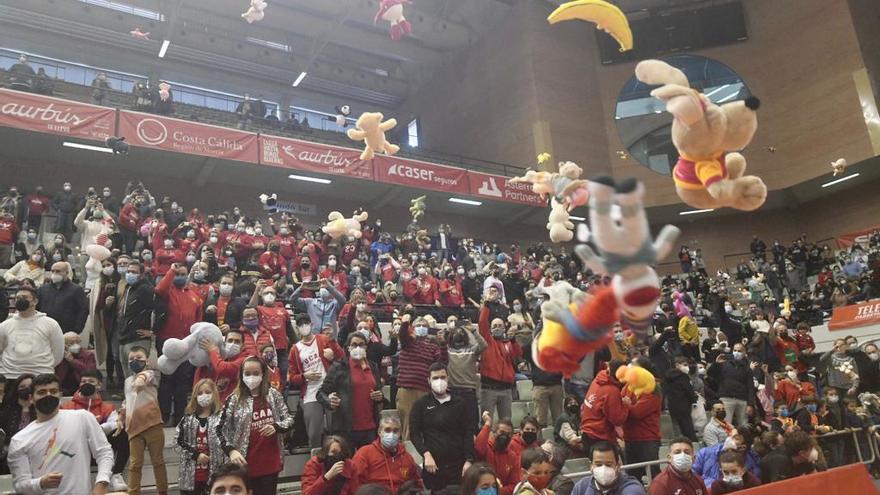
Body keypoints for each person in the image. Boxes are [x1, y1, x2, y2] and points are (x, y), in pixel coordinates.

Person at [7, 373, 114, 494]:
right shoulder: (19, 440)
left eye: (53, 391)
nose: (48, 395)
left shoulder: (82, 418)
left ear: (60, 395)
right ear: (31, 398)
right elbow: (20, 485)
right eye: (42, 392)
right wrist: (40, 483)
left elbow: (104, 452)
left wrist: (102, 482)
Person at [217, 356, 294, 495]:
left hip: (270, 462)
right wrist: (231, 450)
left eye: (256, 373)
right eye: (247, 373)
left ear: (263, 374)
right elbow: (219, 429)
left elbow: (289, 419)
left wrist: (276, 427)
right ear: (241, 375)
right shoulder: (233, 399)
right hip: (244, 464)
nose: (251, 377)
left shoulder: (274, 394)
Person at [59, 368, 128, 490]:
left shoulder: (108, 407)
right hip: (76, 452)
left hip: (100, 451)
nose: (86, 384)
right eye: (83, 381)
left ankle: (116, 474)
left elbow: (114, 424)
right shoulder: (67, 407)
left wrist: (94, 429)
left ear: (99, 385)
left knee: (122, 430)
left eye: (91, 381)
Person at [409, 362, 475, 490]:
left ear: (448, 378)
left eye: (442, 377)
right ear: (428, 380)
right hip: (433, 467)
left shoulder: (460, 403)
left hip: (458, 466)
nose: (439, 381)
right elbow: (414, 434)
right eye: (435, 378)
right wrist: (426, 454)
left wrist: (469, 460)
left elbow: (468, 432)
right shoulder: (420, 405)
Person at [156, 263, 205, 425]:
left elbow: (199, 320)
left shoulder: (195, 295)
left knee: (182, 382)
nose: (179, 276)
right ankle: (163, 416)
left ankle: (180, 418)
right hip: (167, 342)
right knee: (166, 380)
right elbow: (159, 289)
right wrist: (171, 270)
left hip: (187, 344)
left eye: (182, 273)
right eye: (177, 274)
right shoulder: (168, 291)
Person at [319, 332, 384, 448]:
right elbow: (321, 393)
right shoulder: (339, 367)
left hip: (370, 427)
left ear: (366, 347)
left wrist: (380, 397)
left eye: (361, 344)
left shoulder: (373, 366)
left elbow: (378, 392)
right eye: (354, 345)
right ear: (348, 348)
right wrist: (330, 402)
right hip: (345, 428)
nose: (358, 347)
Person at [288, 318, 344, 448]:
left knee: (335, 430)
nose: (304, 327)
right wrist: (304, 376)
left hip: (330, 389)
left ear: (311, 324)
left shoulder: (323, 339)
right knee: (314, 435)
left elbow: (341, 358)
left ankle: (337, 457)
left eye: (306, 323)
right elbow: (292, 377)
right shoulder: (295, 349)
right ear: (297, 328)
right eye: (300, 324)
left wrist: (333, 351)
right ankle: (316, 463)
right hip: (310, 392)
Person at [123, 346, 169, 495]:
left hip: (152, 424)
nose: (134, 361)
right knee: (135, 464)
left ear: (147, 361)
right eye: (131, 359)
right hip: (133, 427)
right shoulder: (127, 381)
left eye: (138, 358)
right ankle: (133, 492)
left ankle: (162, 491)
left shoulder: (150, 374)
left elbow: (144, 378)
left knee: (158, 462)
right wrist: (121, 416)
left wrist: (140, 381)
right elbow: (127, 401)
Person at [396, 313, 446, 440]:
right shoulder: (407, 342)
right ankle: (409, 457)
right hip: (407, 391)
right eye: (418, 325)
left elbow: (442, 364)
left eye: (424, 325)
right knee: (409, 426)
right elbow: (402, 335)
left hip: (425, 391)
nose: (421, 327)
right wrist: (405, 323)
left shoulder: (433, 346)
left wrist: (443, 345)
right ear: (412, 328)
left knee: (425, 426)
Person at [0, 287, 64, 378]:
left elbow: (58, 353)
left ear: (35, 301)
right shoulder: (5, 325)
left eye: (25, 297)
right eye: (18, 298)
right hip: (10, 375)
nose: (20, 300)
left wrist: (44, 367)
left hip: (40, 375)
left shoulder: (51, 323)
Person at [351, 416, 422, 493]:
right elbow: (356, 483)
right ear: (379, 432)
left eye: (395, 431)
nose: (391, 434)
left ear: (400, 434)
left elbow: (416, 484)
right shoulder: (364, 453)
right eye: (387, 430)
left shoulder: (407, 457)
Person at [176, 378, 223, 495]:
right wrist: (196, 455)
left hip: (214, 478)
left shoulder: (222, 418)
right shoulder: (187, 419)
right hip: (190, 479)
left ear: (214, 394)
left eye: (208, 392)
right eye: (200, 393)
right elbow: (177, 442)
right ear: (195, 396)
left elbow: (226, 443)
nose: (204, 395)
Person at [478, 304, 521, 423]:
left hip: (506, 390)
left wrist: (513, 341)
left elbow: (517, 355)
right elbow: (482, 322)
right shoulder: (486, 341)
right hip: (489, 390)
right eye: (495, 326)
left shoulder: (508, 343)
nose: (497, 328)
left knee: (506, 423)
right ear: (490, 329)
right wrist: (487, 306)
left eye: (500, 326)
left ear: (504, 328)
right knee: (487, 423)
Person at [114, 261, 156, 379]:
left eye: (134, 272)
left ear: (142, 275)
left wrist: (153, 331)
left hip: (138, 339)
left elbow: (160, 309)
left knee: (139, 376)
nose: (130, 274)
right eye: (128, 271)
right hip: (124, 337)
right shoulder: (128, 287)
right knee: (128, 378)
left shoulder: (146, 289)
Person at [622, 359, 662, 480]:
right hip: (630, 438)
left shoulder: (653, 388)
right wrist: (627, 404)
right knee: (632, 477)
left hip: (647, 438)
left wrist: (627, 404)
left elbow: (637, 412)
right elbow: (621, 400)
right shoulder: (628, 386)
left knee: (653, 475)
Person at [444, 319, 486, 434]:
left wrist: (473, 331)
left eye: (461, 332)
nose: (459, 334)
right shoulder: (447, 351)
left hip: (469, 393)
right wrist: (448, 331)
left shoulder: (471, 350)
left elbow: (483, 345)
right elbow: (439, 344)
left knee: (472, 426)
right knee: (454, 426)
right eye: (456, 332)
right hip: (453, 392)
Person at [581, 360, 629, 454]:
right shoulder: (611, 390)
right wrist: (625, 405)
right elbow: (617, 419)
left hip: (587, 432)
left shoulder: (599, 379)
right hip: (599, 436)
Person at [570, 441, 645, 495]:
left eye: (608, 465)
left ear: (618, 466)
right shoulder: (582, 487)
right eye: (598, 465)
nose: (603, 469)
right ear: (591, 466)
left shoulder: (631, 487)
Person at [693, 429, 760, 487]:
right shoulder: (705, 453)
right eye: (729, 435)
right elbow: (692, 478)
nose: (729, 439)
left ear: (743, 447)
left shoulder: (753, 464)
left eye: (736, 438)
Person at [707, 344, 753, 427]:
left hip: (742, 399)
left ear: (744, 352)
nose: (736, 353)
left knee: (744, 425)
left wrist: (750, 404)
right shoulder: (724, 363)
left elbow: (750, 387)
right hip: (726, 397)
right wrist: (716, 363)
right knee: (726, 423)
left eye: (739, 351)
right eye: (735, 350)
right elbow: (710, 373)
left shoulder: (747, 368)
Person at [36, 262, 89, 334]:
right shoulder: (43, 290)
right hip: (45, 330)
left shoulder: (76, 290)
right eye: (53, 271)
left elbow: (83, 310)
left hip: (67, 331)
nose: (54, 273)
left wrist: (76, 330)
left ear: (66, 272)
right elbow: (36, 308)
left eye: (58, 271)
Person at [474, 412, 521, 491]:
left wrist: (497, 491)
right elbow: (478, 448)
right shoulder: (486, 447)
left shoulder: (513, 457)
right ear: (494, 433)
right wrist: (488, 423)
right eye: (501, 432)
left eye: (508, 434)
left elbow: (514, 485)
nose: (504, 436)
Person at [0, 374, 35, 475]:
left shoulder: (40, 410)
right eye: (22, 387)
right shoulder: (6, 410)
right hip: (9, 452)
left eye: (29, 387)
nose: (26, 390)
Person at [665, 357, 698, 441]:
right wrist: (694, 399)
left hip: (672, 406)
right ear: (677, 365)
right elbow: (688, 391)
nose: (687, 367)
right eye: (685, 365)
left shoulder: (668, 377)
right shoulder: (683, 377)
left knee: (677, 430)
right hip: (684, 406)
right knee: (688, 429)